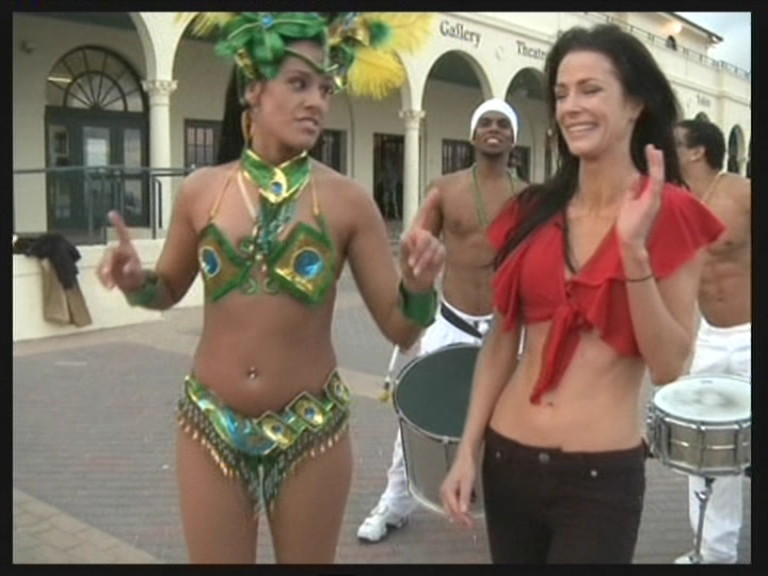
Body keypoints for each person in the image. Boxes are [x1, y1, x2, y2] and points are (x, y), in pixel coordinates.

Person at [96, 12, 442, 564]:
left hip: (312, 434)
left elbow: (401, 327)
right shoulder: (202, 191)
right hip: (210, 424)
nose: (316, 103)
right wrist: (136, 282)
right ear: (253, 89)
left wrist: (420, 287)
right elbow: (167, 290)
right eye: (299, 84)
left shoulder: (349, 202)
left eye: (325, 89)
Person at [439, 23, 725, 564]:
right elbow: (501, 340)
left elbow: (669, 366)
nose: (571, 106)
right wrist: (467, 449)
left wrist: (634, 253)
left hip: (600, 477)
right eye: (562, 93)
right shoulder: (531, 211)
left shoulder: (672, 212)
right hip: (508, 458)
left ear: (636, 103)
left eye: (591, 90)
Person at [357, 98, 526, 543]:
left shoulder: (529, 197)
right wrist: (415, 268)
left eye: (503, 124)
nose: (494, 129)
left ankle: (514, 512)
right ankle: (395, 503)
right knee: (418, 416)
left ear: (514, 138)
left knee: (512, 421)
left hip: (507, 327)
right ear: (473, 134)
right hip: (451, 321)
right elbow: (414, 247)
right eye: (486, 122)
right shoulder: (446, 189)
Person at [672, 119, 751, 565]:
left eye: (674, 143)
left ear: (697, 151)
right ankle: (714, 552)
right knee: (705, 446)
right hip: (710, 338)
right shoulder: (676, 202)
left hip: (752, 334)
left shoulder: (741, 193)